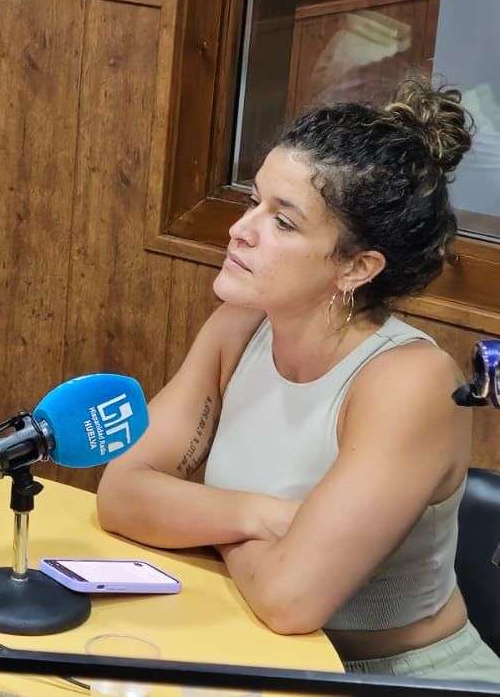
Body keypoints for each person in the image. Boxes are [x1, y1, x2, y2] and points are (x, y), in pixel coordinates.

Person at [98, 80, 500, 681]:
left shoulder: (410, 382)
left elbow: (290, 600)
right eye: (253, 202)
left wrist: (204, 520)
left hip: (402, 677)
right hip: (258, 652)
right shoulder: (238, 327)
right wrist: (265, 517)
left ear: (357, 267)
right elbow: (122, 492)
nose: (241, 229)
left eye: (283, 222)